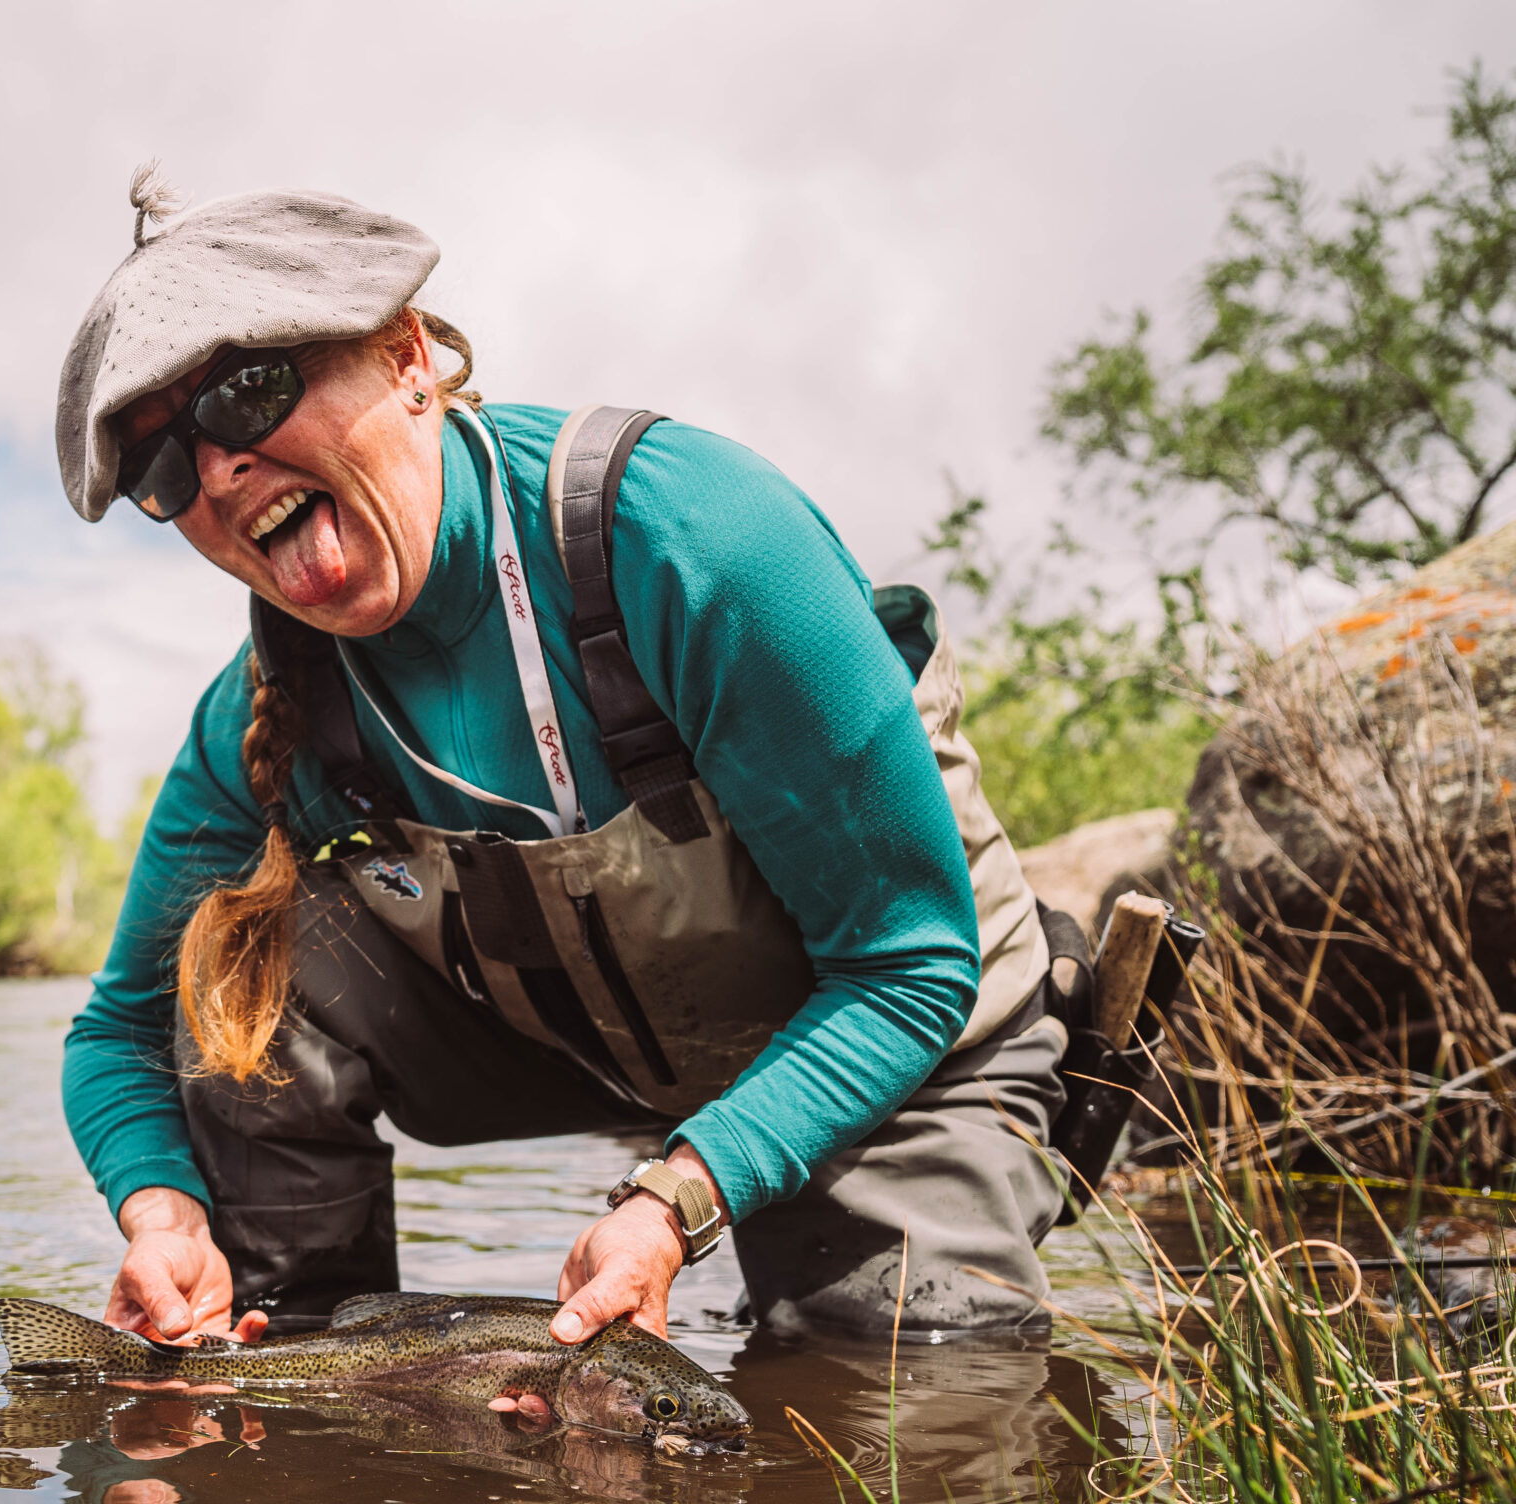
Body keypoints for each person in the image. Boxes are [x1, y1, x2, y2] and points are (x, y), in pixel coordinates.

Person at [54, 175, 1066, 1352]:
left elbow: (906, 966)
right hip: (619, 1051)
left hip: (907, 1039)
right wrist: (164, 1213)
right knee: (243, 972)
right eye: (164, 469)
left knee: (890, 1401)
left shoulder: (696, 542)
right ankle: (310, 1364)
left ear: (406, 355)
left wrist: (674, 1200)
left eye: (249, 390)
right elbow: (118, 1033)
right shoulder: (262, 716)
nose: (218, 469)